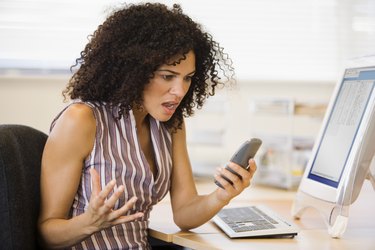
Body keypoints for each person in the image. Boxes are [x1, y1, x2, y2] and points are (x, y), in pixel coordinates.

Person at [38, 2, 257, 249]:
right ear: (134, 70)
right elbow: (48, 234)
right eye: (167, 76)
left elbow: (184, 213)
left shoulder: (171, 126)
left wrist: (222, 195)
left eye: (187, 78)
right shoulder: (81, 119)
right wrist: (89, 222)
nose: (180, 91)